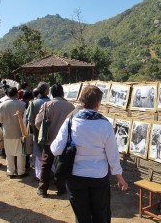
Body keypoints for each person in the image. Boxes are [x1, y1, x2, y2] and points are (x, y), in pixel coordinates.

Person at [51, 85, 128, 223]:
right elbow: (113, 155)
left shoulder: (70, 122)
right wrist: (119, 176)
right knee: (100, 215)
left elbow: (55, 149)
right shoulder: (105, 125)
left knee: (82, 217)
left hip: (75, 177)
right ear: (98, 103)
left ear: (82, 101)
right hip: (99, 177)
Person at [35, 84, 75, 198]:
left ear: (51, 93)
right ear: (62, 93)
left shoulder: (47, 105)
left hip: (49, 140)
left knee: (46, 165)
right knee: (62, 165)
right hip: (64, 142)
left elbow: (38, 122)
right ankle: (61, 188)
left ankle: (43, 189)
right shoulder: (70, 106)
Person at [0, 87, 28, 178]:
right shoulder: (22, 104)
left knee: (9, 153)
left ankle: (10, 171)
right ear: (17, 94)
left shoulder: (2, 105)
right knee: (21, 153)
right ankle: (21, 172)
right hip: (20, 132)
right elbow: (25, 120)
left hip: (7, 132)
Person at [26, 82, 50, 180]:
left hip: (37, 132)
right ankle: (50, 173)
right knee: (49, 153)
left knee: (38, 154)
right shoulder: (50, 102)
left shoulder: (34, 103)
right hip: (49, 132)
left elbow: (30, 118)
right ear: (45, 91)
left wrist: (35, 129)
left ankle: (40, 175)